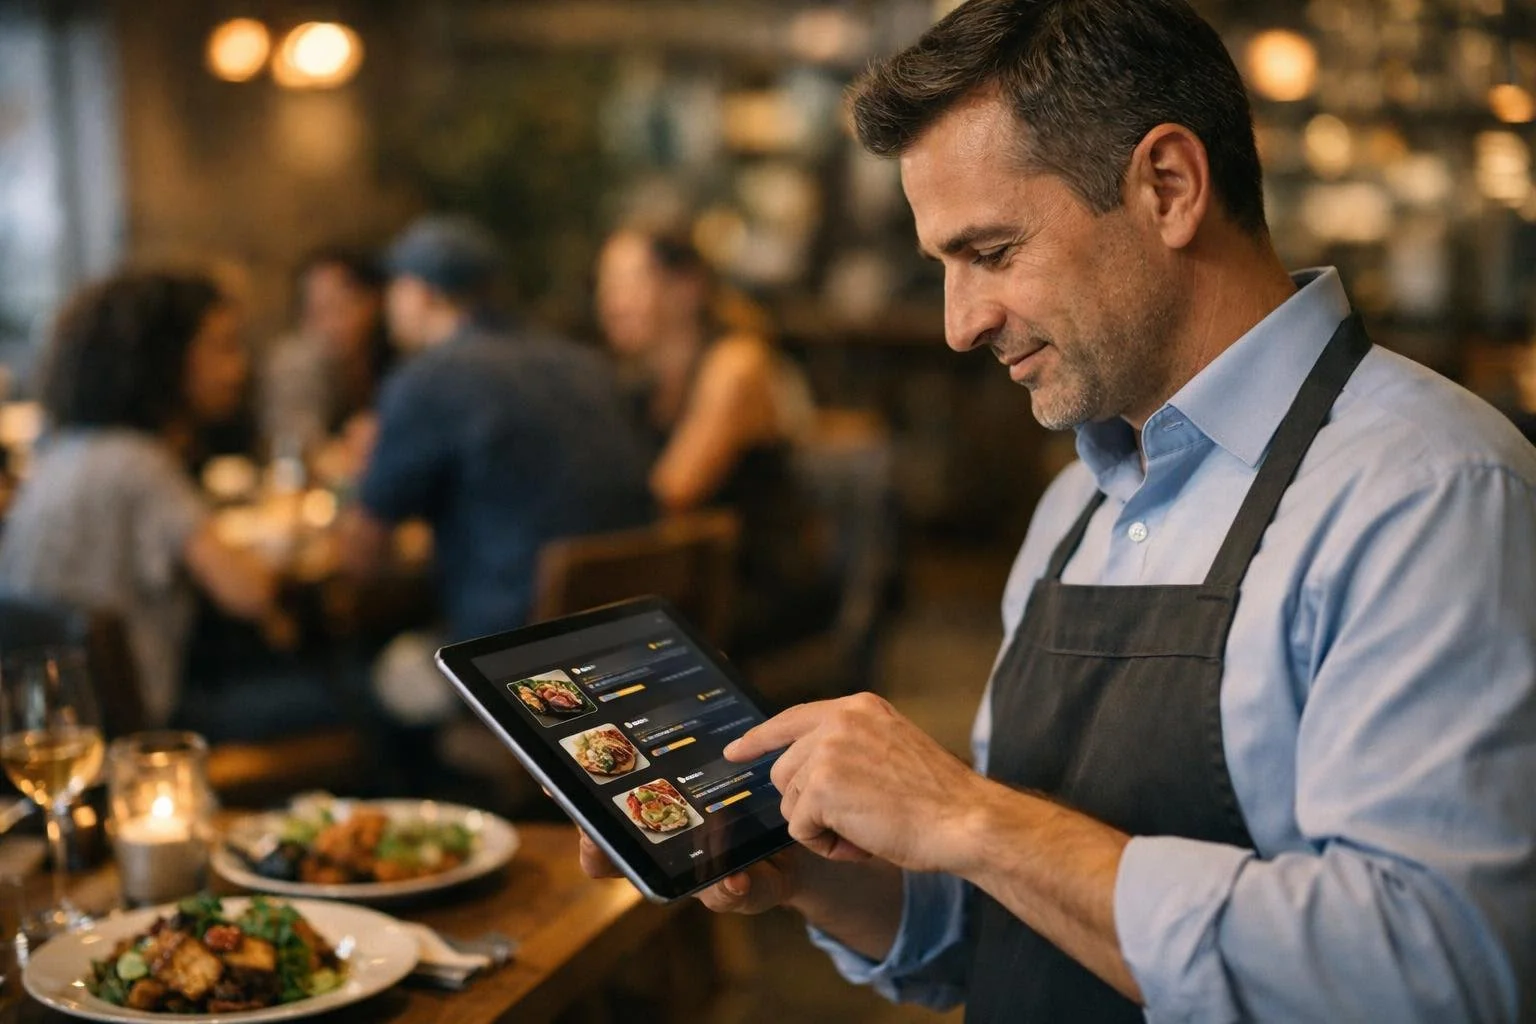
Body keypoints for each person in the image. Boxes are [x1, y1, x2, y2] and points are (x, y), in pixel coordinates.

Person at [580, 1, 1536, 1020]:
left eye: (990, 253)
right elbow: (1008, 923)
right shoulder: (1075, 505)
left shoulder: (1433, 493)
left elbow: (1439, 975)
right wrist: (814, 871)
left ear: (1168, 187)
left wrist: (972, 816)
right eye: (942, 266)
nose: (959, 325)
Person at [341, 215, 655, 679]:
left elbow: (361, 554)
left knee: (372, 676)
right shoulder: (586, 362)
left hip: (512, 656)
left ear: (422, 294)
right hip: (632, 640)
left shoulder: (426, 380)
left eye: (394, 287)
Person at [0, 271, 293, 728]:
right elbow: (246, 594)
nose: (238, 369)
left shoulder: (61, 452)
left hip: (56, 721)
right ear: (164, 360)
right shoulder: (142, 464)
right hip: (150, 727)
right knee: (359, 691)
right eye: (221, 347)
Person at [595, 228, 831, 654]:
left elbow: (673, 492)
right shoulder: (637, 382)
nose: (611, 304)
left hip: (755, 586)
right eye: (605, 286)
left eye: (629, 284)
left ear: (687, 288)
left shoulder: (736, 365)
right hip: (685, 581)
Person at [261, 246, 396, 468]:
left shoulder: (397, 360)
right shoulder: (297, 363)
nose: (327, 326)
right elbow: (294, 452)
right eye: (315, 312)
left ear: (374, 303)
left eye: (338, 307)